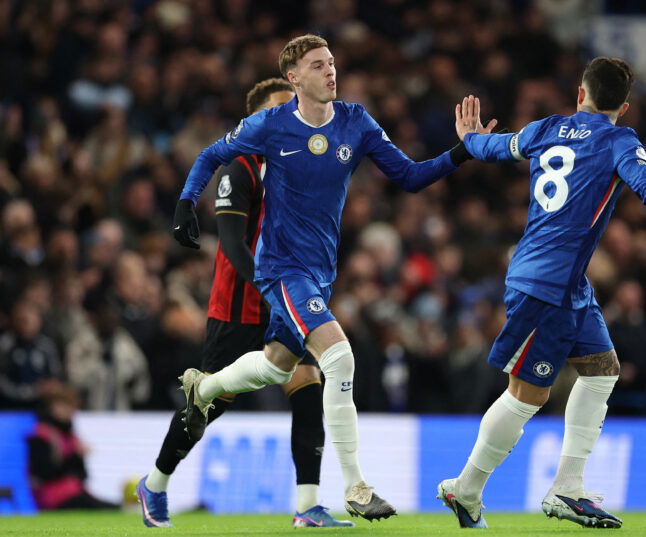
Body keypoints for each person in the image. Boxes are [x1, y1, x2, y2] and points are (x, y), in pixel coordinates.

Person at [436, 57, 646, 529]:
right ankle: (465, 488)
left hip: (565, 283)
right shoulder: (618, 140)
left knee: (603, 370)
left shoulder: (545, 128)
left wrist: (469, 139)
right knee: (526, 396)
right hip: (546, 284)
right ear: (624, 107)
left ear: (579, 94)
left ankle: (566, 487)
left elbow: (496, 147)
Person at [171, 34, 485, 521]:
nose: (330, 71)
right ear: (294, 77)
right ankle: (356, 488)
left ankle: (204, 388)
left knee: (276, 366)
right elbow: (211, 155)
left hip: (319, 273)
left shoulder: (356, 122)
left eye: (332, 63)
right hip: (281, 268)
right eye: (318, 65)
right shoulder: (271, 125)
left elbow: (410, 177)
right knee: (339, 356)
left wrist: (461, 152)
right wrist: (187, 201)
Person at [136, 78, 353, 528]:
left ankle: (308, 505)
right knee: (208, 406)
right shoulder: (240, 169)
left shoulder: (299, 170)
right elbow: (232, 246)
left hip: (286, 305)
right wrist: (272, 289)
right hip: (238, 309)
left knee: (309, 391)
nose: (288, 117)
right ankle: (155, 483)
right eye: (277, 110)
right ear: (255, 120)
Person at [27, 386, 119, 510]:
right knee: (107, 509)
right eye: (62, 406)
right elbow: (44, 474)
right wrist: (75, 456)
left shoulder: (70, 435)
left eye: (71, 406)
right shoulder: (41, 435)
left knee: (111, 508)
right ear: (51, 408)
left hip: (73, 493)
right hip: (52, 497)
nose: (68, 411)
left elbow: (82, 475)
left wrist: (79, 457)